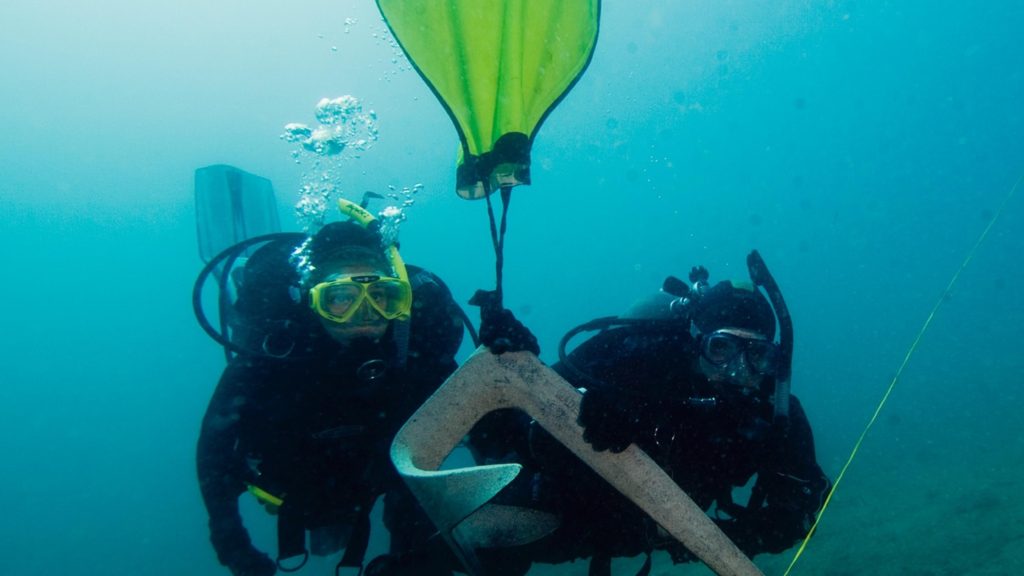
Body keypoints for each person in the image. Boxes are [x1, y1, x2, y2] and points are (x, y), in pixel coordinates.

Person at [467, 259, 831, 575]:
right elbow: (514, 429)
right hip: (570, 509)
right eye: (722, 347)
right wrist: (519, 366)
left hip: (634, 534)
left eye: (758, 355)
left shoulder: (773, 413)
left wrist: (716, 539)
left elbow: (800, 503)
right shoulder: (635, 357)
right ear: (696, 340)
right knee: (489, 543)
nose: (738, 369)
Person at [196, 207, 468, 576]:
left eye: (382, 296)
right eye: (341, 298)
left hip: (378, 480)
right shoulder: (275, 354)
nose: (365, 313)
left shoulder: (412, 351)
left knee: (415, 526)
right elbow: (215, 448)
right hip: (292, 487)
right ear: (313, 301)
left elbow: (478, 415)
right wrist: (231, 542)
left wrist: (508, 359)